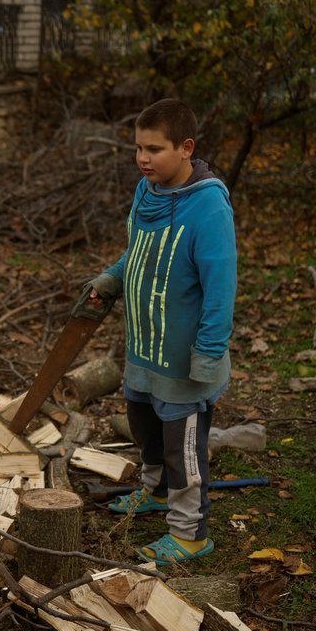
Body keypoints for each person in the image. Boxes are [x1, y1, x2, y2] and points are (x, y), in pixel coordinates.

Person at [72, 98, 237, 565]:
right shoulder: (149, 190)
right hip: (144, 348)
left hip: (184, 359)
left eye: (154, 149)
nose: (143, 158)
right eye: (138, 148)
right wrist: (112, 278)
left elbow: (221, 287)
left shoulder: (207, 206)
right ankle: (156, 493)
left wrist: (208, 353)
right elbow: (139, 252)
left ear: (186, 148)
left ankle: (189, 534)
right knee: (145, 429)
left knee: (181, 448)